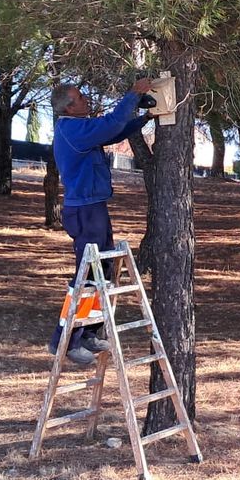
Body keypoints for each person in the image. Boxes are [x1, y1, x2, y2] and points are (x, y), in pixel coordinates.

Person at [47, 78, 158, 364]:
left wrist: (144, 117)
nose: (86, 100)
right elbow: (109, 125)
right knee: (86, 278)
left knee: (103, 272)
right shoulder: (72, 129)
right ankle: (65, 340)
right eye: (81, 98)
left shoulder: (78, 128)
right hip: (84, 211)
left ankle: (90, 330)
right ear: (69, 107)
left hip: (93, 207)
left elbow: (113, 133)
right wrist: (132, 95)